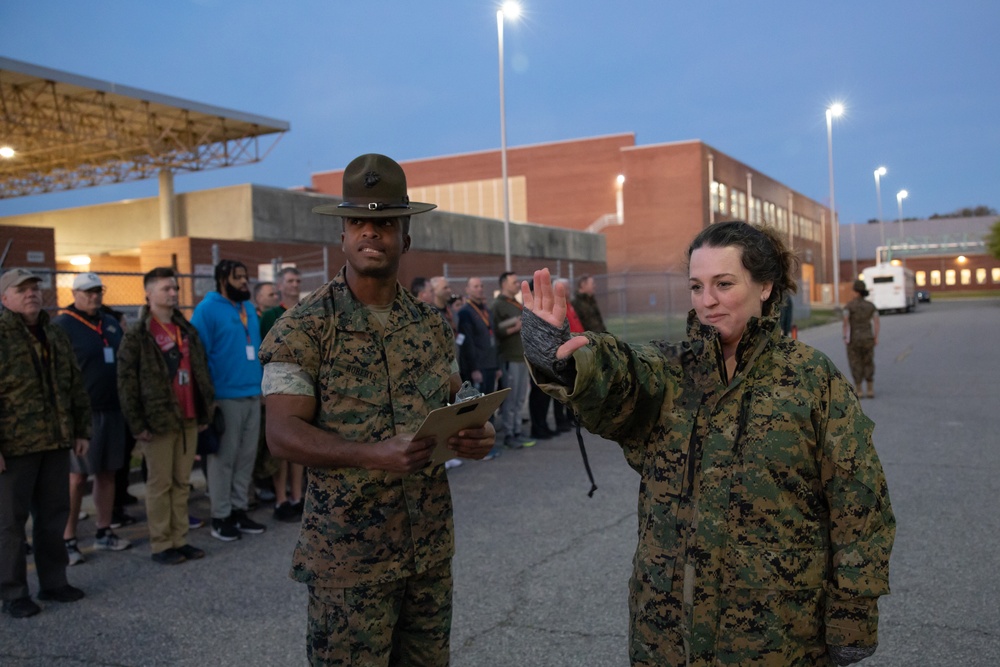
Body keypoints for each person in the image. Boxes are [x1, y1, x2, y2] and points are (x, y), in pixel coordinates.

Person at [520, 221, 895, 666]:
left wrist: (852, 614)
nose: (707, 301)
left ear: (765, 287)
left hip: (775, 636)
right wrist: (569, 360)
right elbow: (622, 373)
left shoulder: (812, 380)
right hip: (665, 632)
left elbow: (859, 503)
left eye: (723, 284)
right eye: (697, 287)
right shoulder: (672, 369)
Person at [259, 153, 496, 665]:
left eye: (385, 222)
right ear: (342, 235)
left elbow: (454, 396)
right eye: (359, 223)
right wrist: (371, 454)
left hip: (427, 551)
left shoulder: (431, 325)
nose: (372, 233)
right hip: (350, 563)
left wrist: (475, 427)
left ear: (405, 236)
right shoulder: (303, 328)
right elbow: (281, 433)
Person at [1, 268, 90, 618]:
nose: (30, 294)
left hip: (54, 441)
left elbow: (74, 385)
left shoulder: (55, 334)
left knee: (53, 515)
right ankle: (13, 592)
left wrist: (81, 430)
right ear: (4, 298)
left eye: (34, 288)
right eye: (21, 289)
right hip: (14, 447)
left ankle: (54, 582)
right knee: (9, 522)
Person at [118, 267, 215, 565]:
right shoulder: (138, 334)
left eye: (174, 288)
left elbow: (199, 369)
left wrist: (203, 408)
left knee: (182, 482)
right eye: (165, 289)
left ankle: (180, 538)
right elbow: (126, 382)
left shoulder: (185, 329)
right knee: (160, 485)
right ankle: (162, 544)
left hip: (187, 416)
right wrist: (137, 424)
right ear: (148, 293)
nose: (173, 293)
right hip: (157, 420)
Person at [52, 272, 132, 564]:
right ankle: (68, 537)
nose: (94, 296)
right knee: (77, 477)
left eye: (98, 290)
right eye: (87, 291)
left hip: (113, 409)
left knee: (108, 472)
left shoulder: (109, 323)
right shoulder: (62, 326)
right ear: (74, 294)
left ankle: (103, 529)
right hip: (84, 414)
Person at [191, 259, 267, 541]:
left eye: (246, 277)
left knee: (246, 457)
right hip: (225, 397)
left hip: (251, 393)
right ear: (223, 279)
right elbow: (199, 355)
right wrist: (209, 398)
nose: (245, 283)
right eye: (239, 278)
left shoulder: (247, 307)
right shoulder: (206, 310)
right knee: (223, 459)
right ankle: (220, 515)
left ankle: (239, 509)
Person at [259, 267, 305, 522]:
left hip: (303, 383)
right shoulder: (270, 315)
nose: (294, 284)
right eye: (289, 280)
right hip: (279, 385)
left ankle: (298, 495)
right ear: (280, 286)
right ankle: (281, 498)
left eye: (297, 280)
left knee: (300, 445)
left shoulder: (307, 310)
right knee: (282, 447)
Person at [457, 277, 503, 459]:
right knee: (478, 412)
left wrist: (497, 365)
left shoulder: (486, 310)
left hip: (491, 364)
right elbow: (467, 344)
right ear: (467, 289)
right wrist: (474, 368)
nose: (480, 289)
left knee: (489, 407)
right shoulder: (465, 313)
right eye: (475, 286)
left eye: (481, 286)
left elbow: (493, 339)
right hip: (478, 367)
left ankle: (487, 444)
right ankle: (477, 449)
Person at [491, 271, 535, 450]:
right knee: (510, 399)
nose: (518, 284)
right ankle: (509, 433)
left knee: (519, 398)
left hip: (521, 356)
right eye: (514, 282)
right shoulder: (498, 305)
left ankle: (517, 430)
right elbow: (495, 332)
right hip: (510, 357)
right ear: (504, 284)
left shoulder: (516, 304)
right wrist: (514, 328)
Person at [843, 280, 880, 399]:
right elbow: (876, 322)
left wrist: (845, 337)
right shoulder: (871, 306)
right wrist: (876, 336)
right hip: (868, 337)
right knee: (868, 361)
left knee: (855, 362)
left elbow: (845, 322)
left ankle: (858, 389)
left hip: (854, 339)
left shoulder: (849, 306)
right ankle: (870, 388)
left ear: (855, 291)